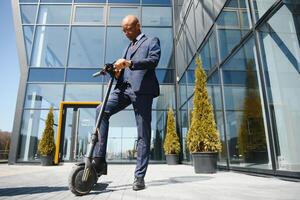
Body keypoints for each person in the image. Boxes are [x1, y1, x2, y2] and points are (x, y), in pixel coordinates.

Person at [92, 15, 161, 191]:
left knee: (143, 134)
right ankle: (99, 160)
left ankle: (139, 177)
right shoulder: (127, 48)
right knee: (101, 110)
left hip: (142, 91)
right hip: (123, 90)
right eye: (123, 30)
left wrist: (129, 63)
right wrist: (114, 71)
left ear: (138, 26)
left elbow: (153, 61)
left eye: (128, 28)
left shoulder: (151, 40)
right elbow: (121, 73)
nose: (125, 32)